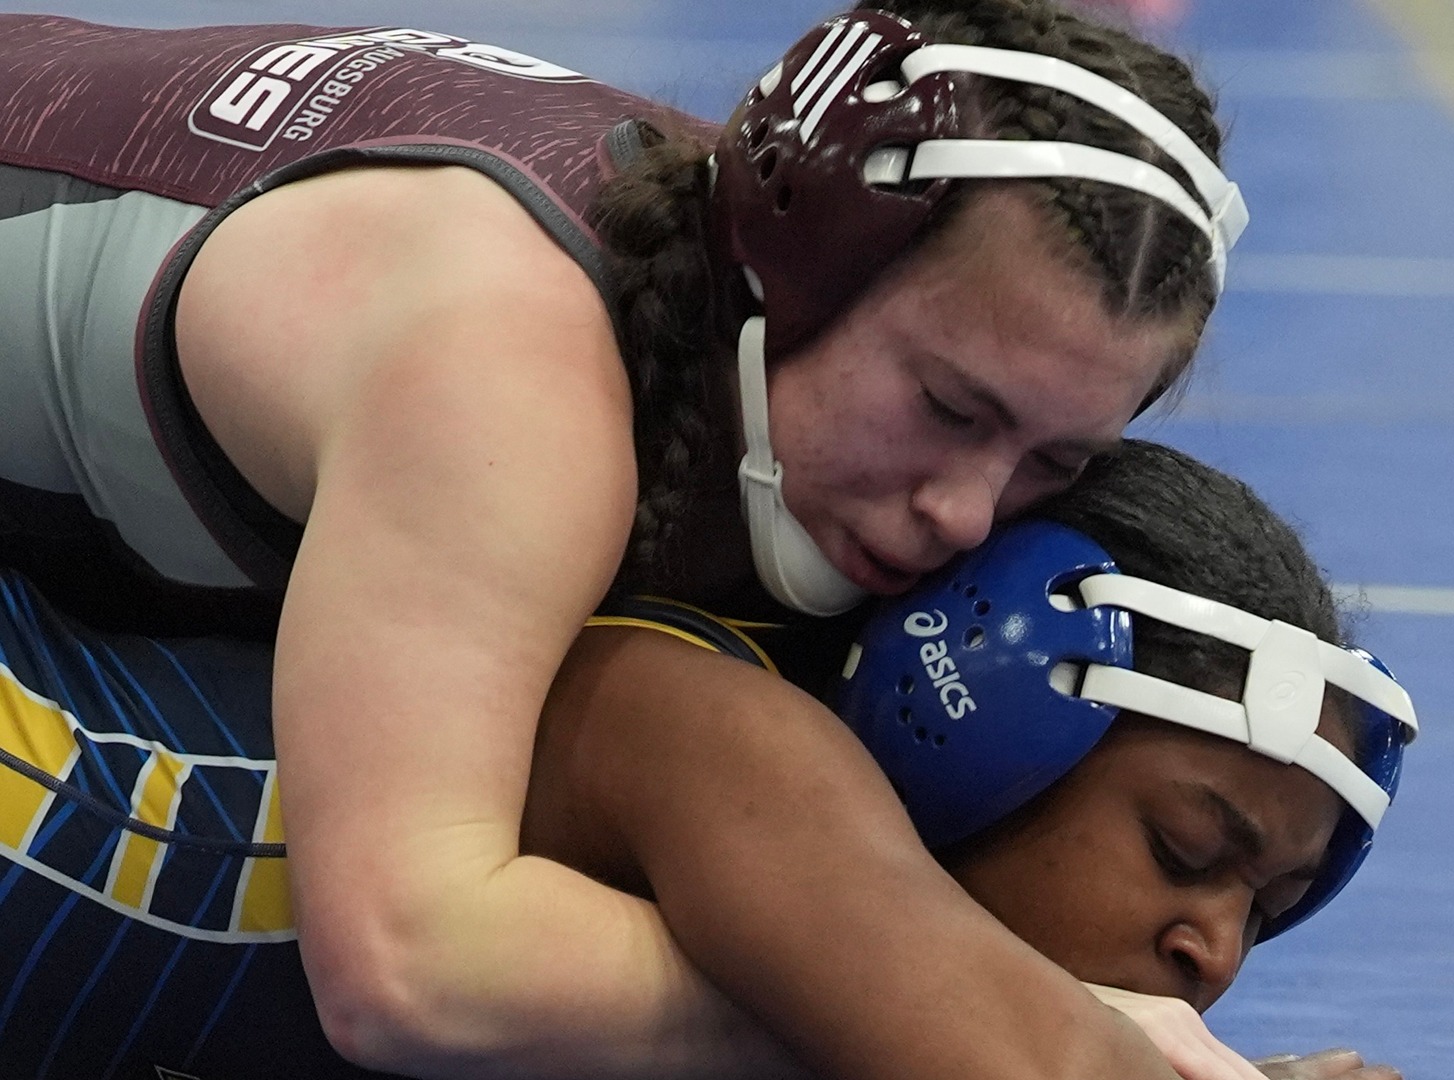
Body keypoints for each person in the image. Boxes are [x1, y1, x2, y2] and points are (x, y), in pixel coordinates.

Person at [0, 3, 1264, 1077]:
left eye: (1054, 459)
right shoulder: (506, 364)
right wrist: (968, 1018)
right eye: (946, 408)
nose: (966, 512)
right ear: (798, 263)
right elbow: (409, 965)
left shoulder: (742, 278)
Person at [0, 440, 1414, 1080]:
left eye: (1265, 910)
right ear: (984, 711)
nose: (1211, 952)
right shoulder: (704, 730)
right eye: (1187, 851)